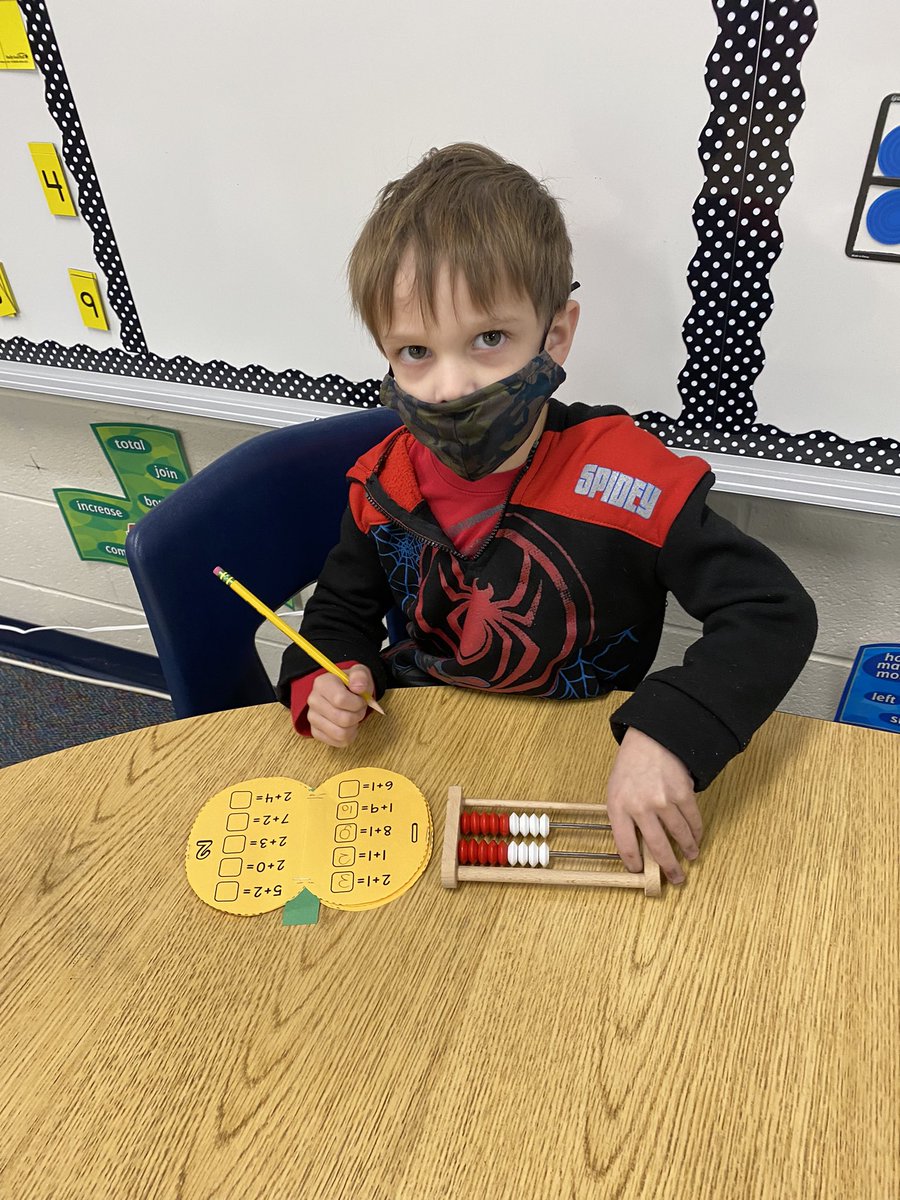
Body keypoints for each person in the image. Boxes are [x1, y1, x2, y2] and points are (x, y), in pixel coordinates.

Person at [276, 143, 817, 885]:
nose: (451, 386)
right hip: (423, 763)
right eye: (413, 351)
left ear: (555, 335)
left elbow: (773, 611)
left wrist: (671, 732)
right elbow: (337, 619)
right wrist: (325, 679)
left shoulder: (627, 474)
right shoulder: (380, 485)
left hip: (588, 761)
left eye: (489, 339)